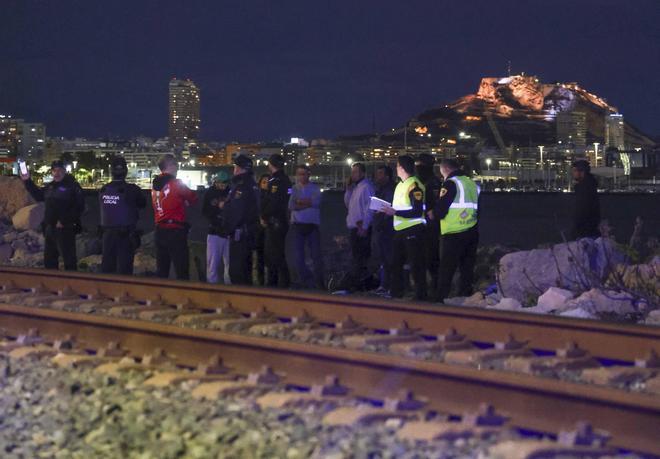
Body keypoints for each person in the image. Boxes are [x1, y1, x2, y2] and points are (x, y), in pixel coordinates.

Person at [20, 159, 85, 271]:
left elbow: (80, 207)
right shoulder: (50, 186)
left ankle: (72, 284)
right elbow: (39, 196)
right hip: (50, 229)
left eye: (59, 170)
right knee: (49, 261)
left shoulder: (73, 187)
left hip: (65, 229)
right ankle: (52, 285)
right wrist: (27, 181)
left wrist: (64, 221)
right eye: (54, 170)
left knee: (69, 261)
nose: (57, 173)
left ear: (65, 171)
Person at [379, 155, 427, 300]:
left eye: (398, 166)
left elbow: (417, 210)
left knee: (416, 264)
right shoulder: (400, 185)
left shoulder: (415, 185)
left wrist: (395, 212)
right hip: (400, 230)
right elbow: (400, 206)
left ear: (403, 168)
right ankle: (396, 293)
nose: (396, 169)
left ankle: (420, 295)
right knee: (396, 263)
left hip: (413, 229)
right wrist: (387, 210)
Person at [433, 159, 480, 303]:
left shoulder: (450, 183)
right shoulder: (471, 183)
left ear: (445, 169)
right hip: (471, 231)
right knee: (467, 269)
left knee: (447, 270)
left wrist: (432, 214)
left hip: (453, 233)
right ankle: (465, 299)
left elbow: (441, 209)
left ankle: (441, 300)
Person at [151, 153, 198, 280]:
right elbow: (193, 198)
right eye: (175, 164)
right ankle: (183, 297)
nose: (177, 168)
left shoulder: (154, 186)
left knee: (162, 270)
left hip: (159, 230)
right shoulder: (176, 183)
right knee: (181, 269)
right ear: (170, 166)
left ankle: (161, 296)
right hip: (175, 231)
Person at [98, 157, 146, 275]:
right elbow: (142, 204)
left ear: (111, 171)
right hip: (126, 235)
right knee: (124, 269)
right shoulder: (132, 190)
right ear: (126, 171)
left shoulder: (103, 189)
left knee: (107, 268)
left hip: (107, 235)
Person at [222, 154, 260, 285]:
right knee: (245, 270)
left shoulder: (241, 187)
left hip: (240, 234)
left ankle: (241, 302)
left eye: (235, 167)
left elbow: (237, 212)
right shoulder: (252, 184)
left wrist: (228, 228)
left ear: (239, 168)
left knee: (237, 271)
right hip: (248, 232)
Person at [289, 164, 325, 289]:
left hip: (312, 226)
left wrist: (299, 202)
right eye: (299, 174)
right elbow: (291, 205)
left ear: (308, 174)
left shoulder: (315, 188)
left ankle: (319, 282)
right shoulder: (293, 188)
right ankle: (306, 280)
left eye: (304, 174)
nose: (302, 176)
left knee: (316, 256)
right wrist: (307, 203)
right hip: (297, 226)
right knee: (298, 257)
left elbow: (316, 203)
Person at [260, 153, 292, 288]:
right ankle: (282, 283)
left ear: (270, 164)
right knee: (279, 253)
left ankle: (275, 284)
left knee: (273, 255)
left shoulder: (276, 181)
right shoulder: (286, 180)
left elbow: (273, 202)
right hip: (282, 221)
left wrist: (264, 216)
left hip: (275, 222)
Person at [343, 162, 375, 291]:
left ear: (362, 173)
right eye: (352, 172)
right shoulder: (356, 187)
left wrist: (365, 225)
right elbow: (348, 204)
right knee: (356, 256)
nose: (353, 175)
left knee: (361, 258)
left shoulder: (367, 187)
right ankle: (359, 283)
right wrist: (348, 189)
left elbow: (370, 208)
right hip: (354, 227)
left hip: (361, 227)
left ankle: (362, 284)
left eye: (355, 172)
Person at [416, 153, 443, 294]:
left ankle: (434, 288)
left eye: (420, 165)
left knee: (431, 258)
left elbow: (433, 203)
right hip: (420, 225)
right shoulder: (422, 181)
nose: (418, 168)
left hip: (430, 226)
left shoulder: (433, 183)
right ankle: (423, 288)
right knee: (420, 258)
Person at [203, 171, 232, 284]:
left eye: (224, 183)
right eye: (220, 183)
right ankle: (212, 287)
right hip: (215, 231)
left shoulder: (230, 192)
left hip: (227, 231)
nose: (222, 185)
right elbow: (206, 212)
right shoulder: (210, 193)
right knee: (213, 263)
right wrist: (218, 211)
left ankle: (228, 286)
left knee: (229, 263)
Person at [371, 165, 395, 294]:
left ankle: (388, 286)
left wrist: (381, 220)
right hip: (381, 227)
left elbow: (388, 208)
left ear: (387, 176)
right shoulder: (380, 188)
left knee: (388, 258)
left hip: (386, 229)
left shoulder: (389, 189)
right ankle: (384, 285)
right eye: (377, 173)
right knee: (383, 258)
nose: (377, 176)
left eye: (380, 173)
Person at [571, 159, 600, 239]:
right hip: (590, 228)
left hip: (585, 230)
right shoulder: (591, 185)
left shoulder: (583, 188)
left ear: (581, 171)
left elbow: (581, 210)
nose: (573, 173)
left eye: (574, 171)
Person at [254, 174, 270, 285]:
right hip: (259, 230)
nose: (266, 184)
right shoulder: (257, 196)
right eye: (264, 182)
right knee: (260, 256)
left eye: (268, 182)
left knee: (270, 256)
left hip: (269, 229)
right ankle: (260, 280)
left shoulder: (272, 196)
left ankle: (269, 280)